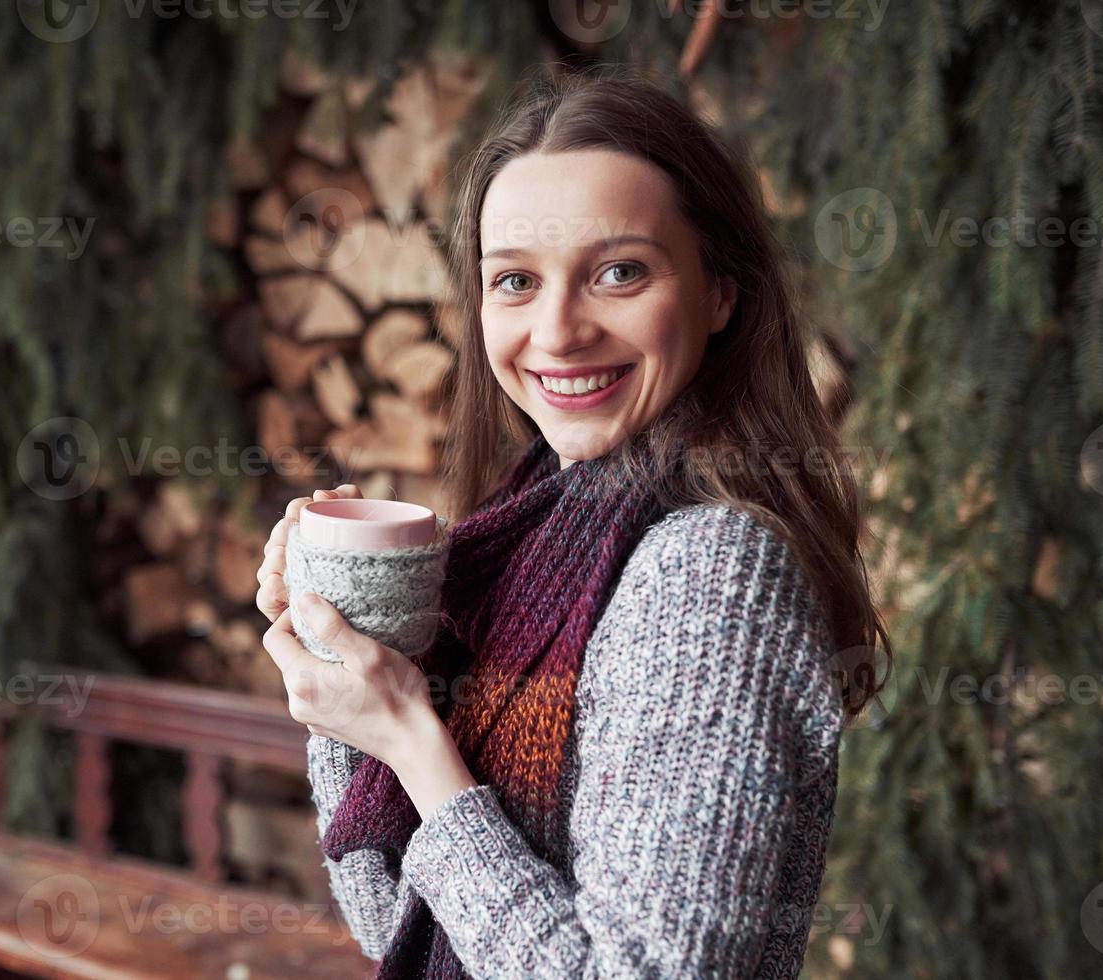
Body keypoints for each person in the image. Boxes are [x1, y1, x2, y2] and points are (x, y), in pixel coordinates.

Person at [256, 68, 890, 979]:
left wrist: (410, 738)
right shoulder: (527, 543)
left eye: (618, 272)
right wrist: (345, 673)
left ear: (721, 293)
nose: (556, 332)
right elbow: (392, 921)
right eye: (514, 280)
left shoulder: (709, 569)